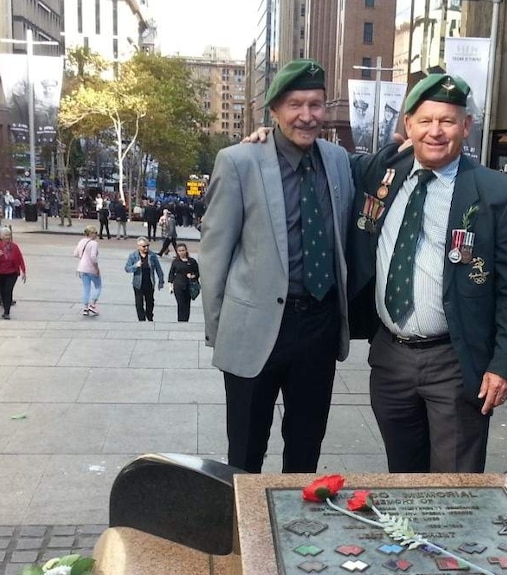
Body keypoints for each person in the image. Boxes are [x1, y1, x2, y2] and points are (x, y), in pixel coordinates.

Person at [347, 74, 507, 473]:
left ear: (465, 127)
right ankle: (407, 538)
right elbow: (321, 162)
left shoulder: (498, 193)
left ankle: (449, 539)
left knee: (455, 484)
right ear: (408, 125)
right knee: (403, 477)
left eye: (447, 121)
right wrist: (263, 141)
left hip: (455, 361)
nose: (435, 132)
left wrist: (504, 364)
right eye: (426, 120)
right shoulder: (381, 171)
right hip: (390, 360)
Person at [200, 58, 355, 474]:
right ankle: (243, 534)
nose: (307, 116)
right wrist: (220, 332)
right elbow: (214, 254)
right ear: (274, 111)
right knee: (246, 454)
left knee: (305, 452)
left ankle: (297, 533)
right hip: (255, 330)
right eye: (295, 105)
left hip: (318, 327)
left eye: (316, 105)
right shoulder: (239, 162)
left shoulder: (338, 161)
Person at [0, 227, 26, 319]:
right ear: (1, 236)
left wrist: (23, 271)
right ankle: (4, 302)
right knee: (2, 292)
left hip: (12, 272)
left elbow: (20, 258)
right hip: (0, 272)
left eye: (9, 235)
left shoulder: (14, 246)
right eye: (6, 235)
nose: (8, 237)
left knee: (8, 291)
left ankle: (7, 312)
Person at [125, 237, 164, 321]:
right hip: (138, 283)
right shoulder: (133, 256)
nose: (146, 248)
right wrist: (135, 266)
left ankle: (150, 317)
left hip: (149, 282)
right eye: (144, 246)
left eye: (147, 246)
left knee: (150, 302)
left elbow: (158, 269)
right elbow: (127, 268)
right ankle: (141, 319)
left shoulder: (152, 255)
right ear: (138, 246)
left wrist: (161, 281)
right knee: (139, 304)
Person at [167, 243, 200, 322]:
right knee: (181, 304)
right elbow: (171, 273)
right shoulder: (175, 262)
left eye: (183, 250)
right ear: (177, 252)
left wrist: (193, 276)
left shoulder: (192, 261)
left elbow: (198, 272)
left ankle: (185, 320)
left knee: (187, 304)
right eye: (179, 251)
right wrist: (170, 285)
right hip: (178, 285)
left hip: (189, 285)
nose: (181, 252)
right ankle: (180, 320)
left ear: (186, 251)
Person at [74, 225, 102, 316]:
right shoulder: (94, 243)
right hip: (91, 268)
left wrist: (83, 259)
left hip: (81, 268)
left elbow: (75, 254)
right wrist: (97, 268)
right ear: (90, 233)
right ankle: (92, 305)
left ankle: (85, 308)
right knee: (98, 286)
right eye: (95, 233)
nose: (96, 235)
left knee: (86, 288)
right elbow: (93, 257)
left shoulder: (81, 241)